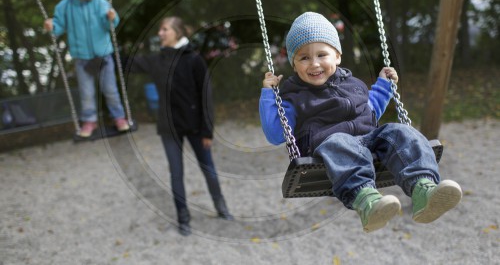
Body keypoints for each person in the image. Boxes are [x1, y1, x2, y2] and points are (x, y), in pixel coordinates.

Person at [259, 12, 462, 233]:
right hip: (330, 147)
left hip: (369, 138)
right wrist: (269, 95)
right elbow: (275, 133)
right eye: (304, 58)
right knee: (339, 141)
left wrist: (384, 85)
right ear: (294, 64)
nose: (314, 63)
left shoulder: (353, 83)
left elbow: (370, 109)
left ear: (337, 56)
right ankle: (367, 202)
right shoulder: (293, 95)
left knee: (400, 131)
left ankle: (424, 189)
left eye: (322, 54)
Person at [127, 16, 233, 236]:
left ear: (177, 32)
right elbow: (127, 63)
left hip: (196, 127)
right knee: (176, 174)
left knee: (209, 170)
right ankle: (183, 217)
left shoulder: (194, 59)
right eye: (159, 30)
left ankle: (221, 207)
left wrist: (207, 130)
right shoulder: (157, 60)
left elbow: (206, 97)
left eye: (164, 29)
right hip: (169, 128)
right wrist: (102, 51)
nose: (160, 33)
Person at [43, 0, 129, 137]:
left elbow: (109, 26)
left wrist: (112, 18)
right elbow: (58, 28)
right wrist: (51, 26)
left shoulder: (99, 2)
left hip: (103, 56)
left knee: (110, 89)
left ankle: (119, 117)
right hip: (82, 58)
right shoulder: (65, 6)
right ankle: (89, 121)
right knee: (87, 93)